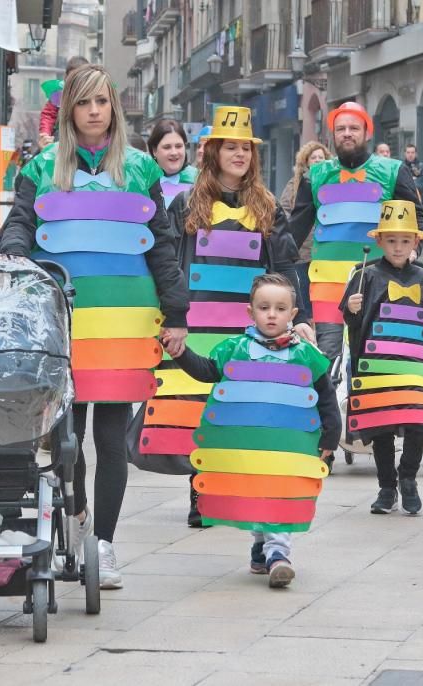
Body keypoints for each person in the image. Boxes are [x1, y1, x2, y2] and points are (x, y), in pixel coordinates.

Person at [0, 65, 189, 589]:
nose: (94, 111)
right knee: (67, 437)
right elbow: (19, 224)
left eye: (102, 101)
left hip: (125, 320)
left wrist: (175, 315)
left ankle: (103, 545)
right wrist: (14, 258)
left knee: (109, 435)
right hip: (64, 321)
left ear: (114, 107)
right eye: (84, 102)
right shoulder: (40, 169)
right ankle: (77, 522)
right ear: (70, 111)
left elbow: (165, 247)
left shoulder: (141, 169)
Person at [161, 106, 312, 528]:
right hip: (199, 324)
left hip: (247, 327)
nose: (240, 154)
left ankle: (235, 491)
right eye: (231, 147)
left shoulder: (266, 206)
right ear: (213, 152)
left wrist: (301, 316)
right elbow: (170, 264)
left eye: (245, 147)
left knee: (241, 410)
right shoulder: (186, 203)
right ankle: (200, 494)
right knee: (200, 411)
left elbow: (284, 267)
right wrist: (169, 314)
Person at [168, 273, 339, 587]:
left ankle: (278, 554)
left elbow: (326, 394)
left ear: (292, 314)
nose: (271, 314)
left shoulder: (304, 353)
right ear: (250, 312)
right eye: (264, 307)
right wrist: (181, 353)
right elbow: (207, 371)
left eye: (279, 308)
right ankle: (261, 546)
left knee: (282, 492)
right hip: (249, 441)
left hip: (290, 442)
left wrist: (331, 435)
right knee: (258, 490)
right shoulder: (236, 348)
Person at [341, 200, 423, 515]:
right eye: (391, 241)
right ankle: (387, 488)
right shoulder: (365, 276)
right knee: (381, 428)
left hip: (413, 367)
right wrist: (350, 309)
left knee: (418, 422)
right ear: (379, 242)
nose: (398, 247)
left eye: (405, 241)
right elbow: (352, 322)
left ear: (416, 242)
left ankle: (408, 477)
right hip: (378, 369)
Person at [288, 101, 423, 362]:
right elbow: (294, 230)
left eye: (354, 127)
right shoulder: (315, 176)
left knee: (374, 354)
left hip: (376, 280)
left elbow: (417, 217)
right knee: (329, 357)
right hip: (327, 284)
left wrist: (413, 250)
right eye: (340, 128)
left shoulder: (393, 171)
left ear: (367, 132)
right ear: (333, 134)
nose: (347, 133)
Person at [280, 141, 332, 323]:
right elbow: (284, 209)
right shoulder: (295, 183)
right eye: (314, 157)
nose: (318, 160)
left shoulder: (332, 182)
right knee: (303, 293)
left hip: (325, 251)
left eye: (321, 157)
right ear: (306, 161)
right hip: (302, 251)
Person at [38, 56, 89, 150]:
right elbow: (48, 115)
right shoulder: (60, 94)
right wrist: (45, 134)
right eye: (72, 79)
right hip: (62, 138)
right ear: (66, 78)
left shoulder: (93, 93)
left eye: (79, 78)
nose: (75, 83)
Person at [148, 118, 198, 210]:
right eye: (167, 147)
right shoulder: (144, 181)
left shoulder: (200, 180)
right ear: (154, 150)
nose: (174, 152)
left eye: (178, 146)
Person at [402, 144, 423, 208]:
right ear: (405, 153)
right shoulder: (401, 166)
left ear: (416, 154)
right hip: (404, 200)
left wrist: (411, 183)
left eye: (412, 152)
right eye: (408, 152)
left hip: (420, 201)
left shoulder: (422, 166)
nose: (410, 155)